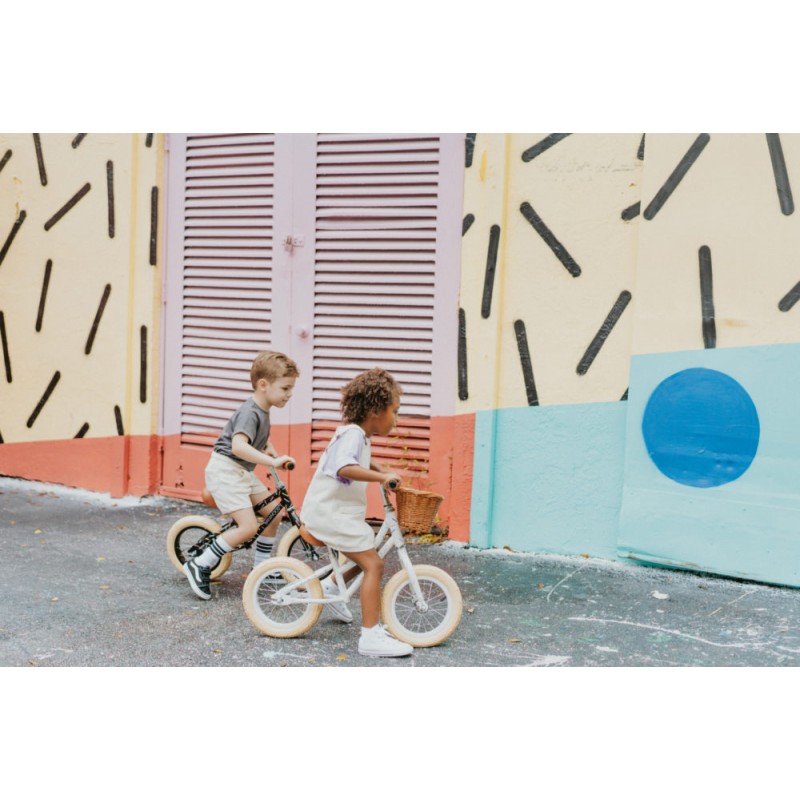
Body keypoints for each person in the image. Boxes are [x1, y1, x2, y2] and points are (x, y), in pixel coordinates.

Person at [301, 367, 413, 658]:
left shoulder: (358, 435)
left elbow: (359, 459)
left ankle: (331, 586)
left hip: (336, 512)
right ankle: (370, 636)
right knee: (373, 564)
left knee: (367, 553)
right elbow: (344, 466)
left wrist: (380, 469)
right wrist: (381, 477)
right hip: (329, 513)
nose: (396, 419)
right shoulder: (353, 434)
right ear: (375, 410)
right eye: (394, 411)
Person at [183, 350, 298, 600]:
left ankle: (261, 568)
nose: (289, 394)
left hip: (240, 471)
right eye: (285, 388)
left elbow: (254, 439)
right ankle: (200, 563)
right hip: (226, 470)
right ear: (263, 385)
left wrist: (268, 448)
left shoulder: (263, 410)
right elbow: (238, 446)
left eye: (291, 388)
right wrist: (272, 461)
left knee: (274, 512)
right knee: (248, 527)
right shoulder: (250, 412)